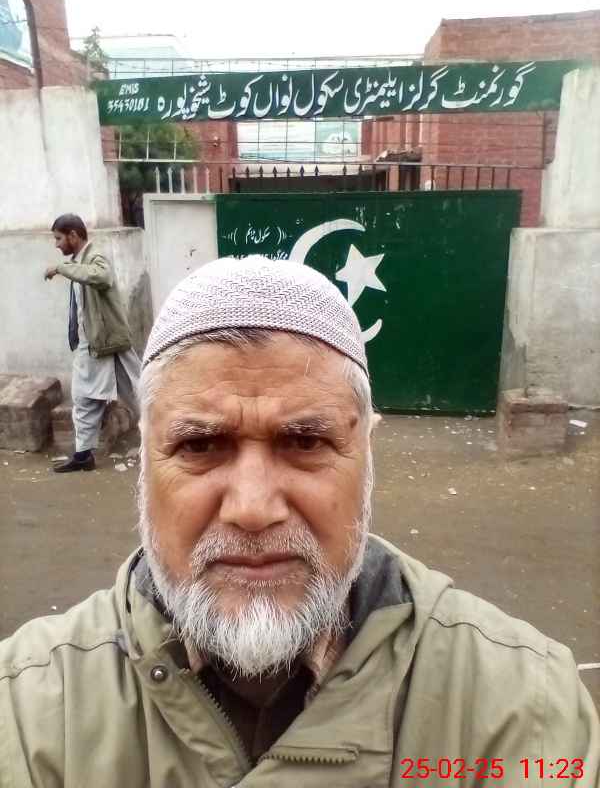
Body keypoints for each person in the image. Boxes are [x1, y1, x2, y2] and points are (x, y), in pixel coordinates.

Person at [2, 255, 598, 787]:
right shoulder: (30, 714)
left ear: (367, 454)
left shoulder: (521, 711)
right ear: (144, 461)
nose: (253, 509)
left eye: (306, 441)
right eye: (200, 445)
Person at [44, 214, 141, 472]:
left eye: (58, 238)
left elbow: (102, 277)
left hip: (110, 343)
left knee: (139, 393)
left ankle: (169, 438)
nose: (57, 245)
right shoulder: (79, 262)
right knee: (84, 399)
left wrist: (61, 268)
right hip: (92, 345)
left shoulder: (96, 256)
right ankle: (83, 456)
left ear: (73, 235)